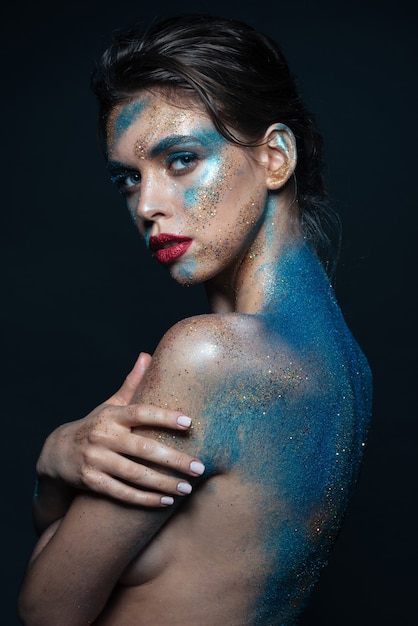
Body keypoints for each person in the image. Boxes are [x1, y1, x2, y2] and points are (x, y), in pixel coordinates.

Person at [18, 13, 372, 625]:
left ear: (274, 158)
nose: (148, 205)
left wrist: (53, 462)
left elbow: (46, 607)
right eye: (128, 178)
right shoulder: (349, 367)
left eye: (180, 160)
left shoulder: (209, 356)